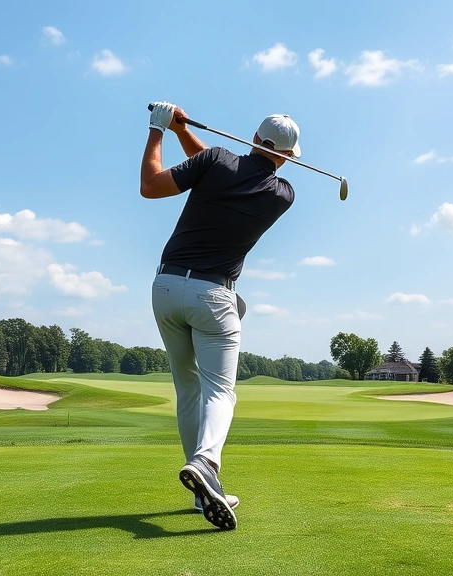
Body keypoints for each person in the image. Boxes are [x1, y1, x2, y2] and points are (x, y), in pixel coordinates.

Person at [140, 102, 299, 530]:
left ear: (253, 138)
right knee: (220, 392)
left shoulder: (213, 161)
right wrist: (179, 132)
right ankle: (206, 463)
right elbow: (219, 165)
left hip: (166, 287)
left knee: (188, 389)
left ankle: (202, 491)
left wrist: (160, 130)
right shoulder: (282, 194)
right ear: (285, 155)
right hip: (214, 296)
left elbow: (152, 186)